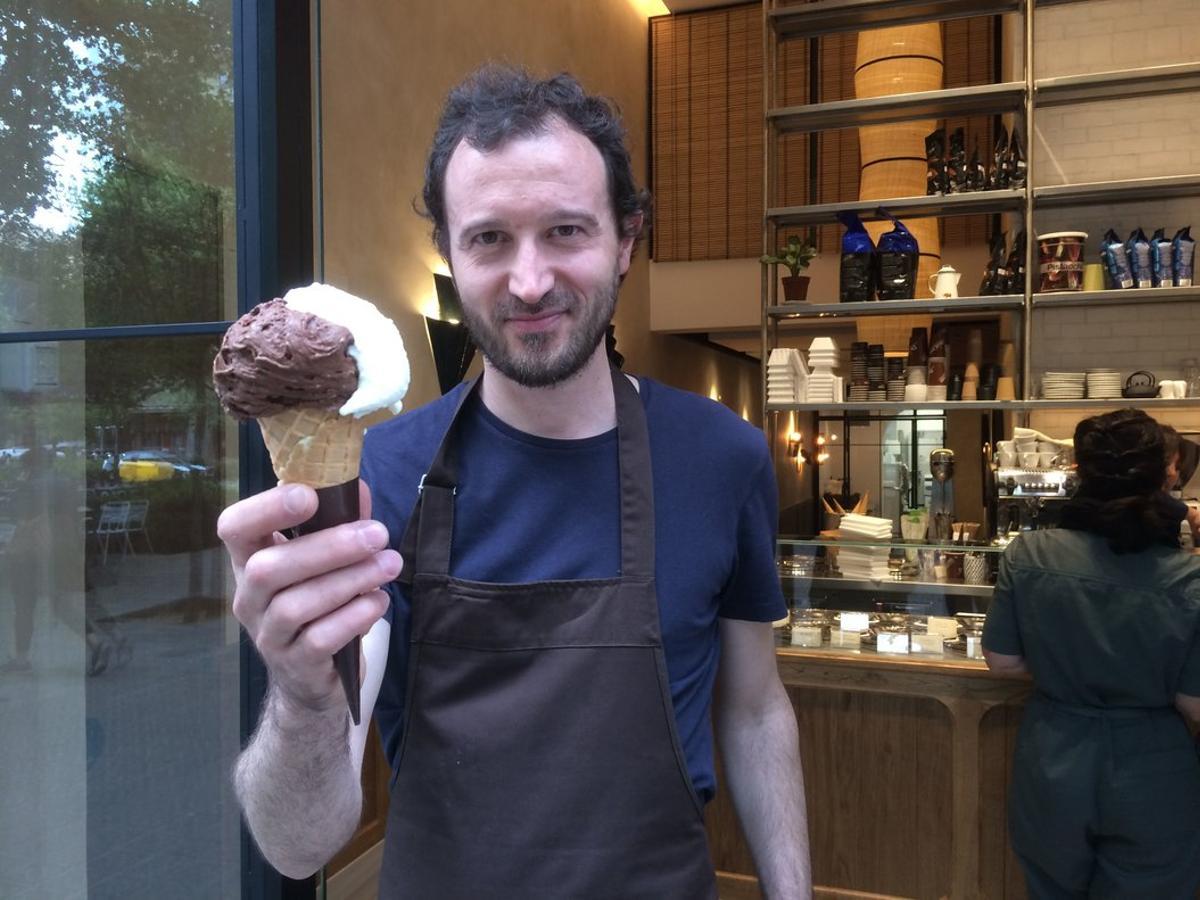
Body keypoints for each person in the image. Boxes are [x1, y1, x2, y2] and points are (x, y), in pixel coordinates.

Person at [219, 65, 812, 898]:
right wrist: (303, 693)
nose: (529, 282)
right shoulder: (379, 481)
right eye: (490, 238)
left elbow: (754, 709)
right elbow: (297, 845)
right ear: (451, 256)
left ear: (626, 240)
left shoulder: (724, 456)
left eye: (566, 231)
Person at [982, 408, 1200, 898]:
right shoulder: (1188, 580)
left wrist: (1069, 659)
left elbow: (1003, 660)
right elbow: (1194, 703)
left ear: (1079, 471)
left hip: (1053, 756)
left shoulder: (1029, 553)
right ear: (1163, 477)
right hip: (1152, 770)